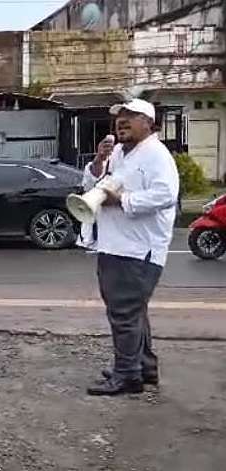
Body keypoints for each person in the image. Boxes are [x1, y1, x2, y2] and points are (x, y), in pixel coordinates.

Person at [81, 99, 180, 396]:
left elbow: (165, 194)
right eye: (119, 118)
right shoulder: (121, 153)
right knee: (133, 312)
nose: (122, 122)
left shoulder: (156, 155)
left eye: (131, 117)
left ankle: (127, 376)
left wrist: (123, 201)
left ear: (149, 123)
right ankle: (143, 367)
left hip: (137, 249)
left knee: (123, 313)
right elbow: (95, 184)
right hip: (116, 245)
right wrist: (98, 163)